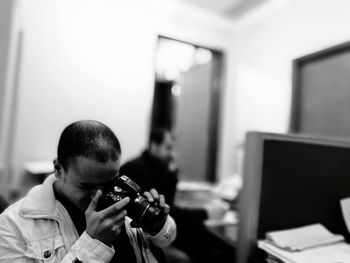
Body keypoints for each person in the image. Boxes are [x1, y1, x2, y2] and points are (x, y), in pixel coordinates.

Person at [0, 120, 176, 263]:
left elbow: (167, 238)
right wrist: (95, 243)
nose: (99, 195)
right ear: (58, 168)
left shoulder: (122, 193)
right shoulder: (12, 225)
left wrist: (158, 225)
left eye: (109, 183)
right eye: (86, 186)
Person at [120, 129, 228, 263]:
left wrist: (173, 173)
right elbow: (166, 211)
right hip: (141, 237)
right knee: (193, 249)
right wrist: (206, 213)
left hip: (151, 233)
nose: (172, 154)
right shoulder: (139, 169)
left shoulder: (156, 166)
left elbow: (168, 201)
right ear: (154, 145)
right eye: (168, 148)